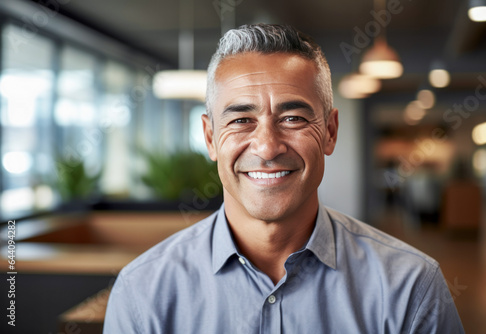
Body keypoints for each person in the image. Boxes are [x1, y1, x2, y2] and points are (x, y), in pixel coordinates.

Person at [104, 24, 464, 333]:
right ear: (211, 138)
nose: (268, 146)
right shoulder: (144, 291)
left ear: (330, 132)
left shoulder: (410, 285)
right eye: (241, 119)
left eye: (293, 118)